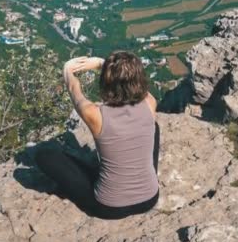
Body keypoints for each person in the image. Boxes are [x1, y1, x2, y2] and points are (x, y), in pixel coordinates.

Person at [35, 51, 160, 220]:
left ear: (105, 83)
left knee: (44, 156)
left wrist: (67, 70)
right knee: (154, 127)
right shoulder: (149, 104)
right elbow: (140, 88)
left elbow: (74, 88)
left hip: (109, 208)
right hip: (150, 199)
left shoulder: (95, 114)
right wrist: (106, 65)